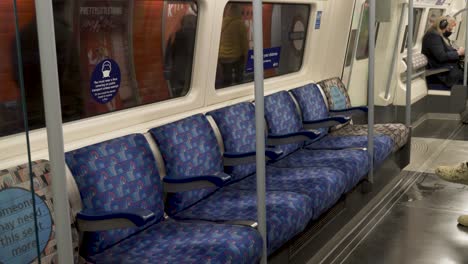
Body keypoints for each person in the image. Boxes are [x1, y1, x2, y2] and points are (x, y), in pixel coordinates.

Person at [422, 16, 465, 88]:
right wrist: (458, 53)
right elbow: (441, 56)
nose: (449, 30)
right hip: (443, 72)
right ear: (442, 25)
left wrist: (459, 51)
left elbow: (448, 50)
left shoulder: (440, 35)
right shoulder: (433, 36)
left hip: (449, 67)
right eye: (448, 28)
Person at [164, 14, 197, 97]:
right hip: (192, 72)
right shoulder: (199, 35)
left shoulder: (174, 35)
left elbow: (169, 55)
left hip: (177, 72)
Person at [217, 3, 249, 87]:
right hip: (235, 57)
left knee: (226, 79)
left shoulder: (222, 22)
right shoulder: (240, 24)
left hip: (222, 56)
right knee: (239, 78)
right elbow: (244, 43)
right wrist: (246, 56)